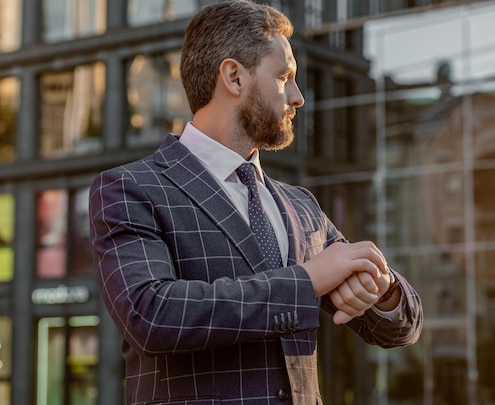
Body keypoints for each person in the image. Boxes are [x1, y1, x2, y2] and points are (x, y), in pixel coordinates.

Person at [89, 1, 423, 404]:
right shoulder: (131, 188)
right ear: (233, 76)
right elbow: (151, 314)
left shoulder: (301, 206)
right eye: (284, 77)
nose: (298, 97)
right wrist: (308, 281)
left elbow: (398, 328)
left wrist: (382, 288)